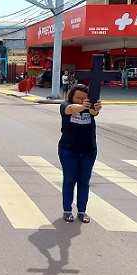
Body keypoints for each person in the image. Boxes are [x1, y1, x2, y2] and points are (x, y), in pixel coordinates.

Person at [58, 84, 102, 224]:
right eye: (78, 98)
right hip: (68, 150)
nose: (81, 100)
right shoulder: (65, 105)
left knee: (84, 181)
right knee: (69, 180)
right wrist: (83, 106)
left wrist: (95, 108)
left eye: (84, 98)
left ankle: (82, 211)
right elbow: (71, 109)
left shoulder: (90, 108)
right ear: (72, 96)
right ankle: (67, 210)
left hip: (89, 151)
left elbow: (94, 113)